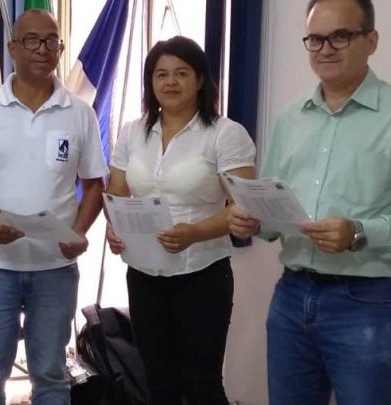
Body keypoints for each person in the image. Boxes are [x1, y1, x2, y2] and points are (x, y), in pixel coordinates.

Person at [228, 0, 391, 403]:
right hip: (291, 293)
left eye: (340, 36)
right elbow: (273, 205)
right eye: (315, 39)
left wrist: (359, 233)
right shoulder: (290, 119)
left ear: (372, 41)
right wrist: (254, 220)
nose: (325, 48)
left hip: (365, 301)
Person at [0, 10, 108, 405]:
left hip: (55, 268)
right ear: (12, 47)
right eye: (32, 40)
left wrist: (79, 232)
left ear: (60, 49)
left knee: (51, 376)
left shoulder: (80, 113)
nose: (42, 49)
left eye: (51, 41)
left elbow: (94, 186)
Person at [105, 36, 256, 405]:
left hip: (201, 274)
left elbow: (243, 207)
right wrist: (115, 227)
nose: (170, 82)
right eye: (161, 74)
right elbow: (117, 194)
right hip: (144, 274)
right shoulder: (132, 132)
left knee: (202, 383)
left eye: (181, 73)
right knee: (159, 382)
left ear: (200, 80)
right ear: (150, 82)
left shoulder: (224, 134)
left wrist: (196, 232)